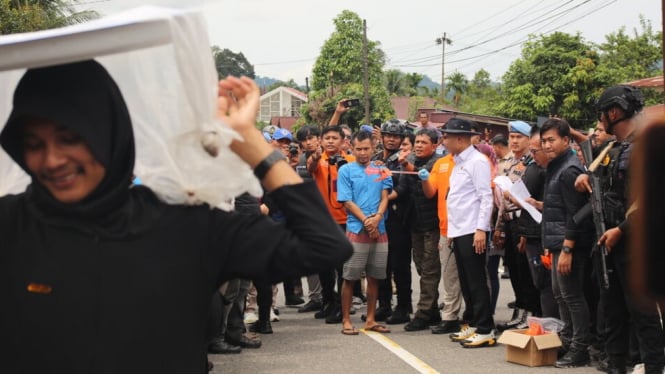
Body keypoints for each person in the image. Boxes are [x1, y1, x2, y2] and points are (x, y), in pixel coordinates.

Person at [0, 60, 352, 374]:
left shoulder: (181, 224)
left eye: (70, 138)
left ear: (107, 133)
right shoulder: (11, 225)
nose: (52, 160)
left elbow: (322, 247)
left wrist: (251, 143)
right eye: (34, 144)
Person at [577, 85, 665, 374]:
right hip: (608, 240)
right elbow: (600, 185)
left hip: (636, 242)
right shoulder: (612, 149)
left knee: (643, 313)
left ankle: (654, 367)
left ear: (613, 112)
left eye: (603, 113)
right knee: (612, 312)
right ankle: (616, 366)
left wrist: (622, 230)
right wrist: (585, 181)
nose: (600, 120)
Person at [540, 118, 594, 368]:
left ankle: (580, 348)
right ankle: (568, 340)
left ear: (566, 140)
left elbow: (576, 213)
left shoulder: (570, 169)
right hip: (556, 242)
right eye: (544, 141)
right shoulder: (556, 166)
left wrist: (567, 249)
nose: (547, 145)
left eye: (551, 140)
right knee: (561, 295)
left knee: (572, 296)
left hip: (568, 245)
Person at [337, 130, 393, 335]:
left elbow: (385, 196)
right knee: (350, 277)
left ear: (374, 147)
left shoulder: (381, 169)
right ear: (351, 147)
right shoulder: (345, 170)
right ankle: (346, 320)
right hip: (356, 228)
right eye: (358, 149)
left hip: (380, 229)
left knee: (375, 276)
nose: (362, 153)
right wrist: (367, 221)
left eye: (366, 149)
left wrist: (377, 217)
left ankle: (370, 319)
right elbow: (346, 201)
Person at [396, 128, 443, 331]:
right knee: (421, 267)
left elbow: (422, 177)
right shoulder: (411, 158)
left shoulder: (438, 162)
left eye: (424, 142)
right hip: (414, 223)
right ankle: (432, 311)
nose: (419, 145)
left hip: (433, 224)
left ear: (435, 145)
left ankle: (422, 313)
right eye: (417, 142)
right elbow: (404, 187)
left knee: (430, 270)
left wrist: (406, 165)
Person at [495, 120, 540, 331]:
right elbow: (502, 202)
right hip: (509, 221)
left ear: (529, 139)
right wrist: (500, 226)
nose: (514, 141)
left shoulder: (534, 163)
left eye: (519, 137)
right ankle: (520, 310)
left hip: (527, 221)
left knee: (526, 272)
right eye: (511, 137)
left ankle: (530, 313)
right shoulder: (508, 164)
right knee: (513, 269)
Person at [308, 125, 356, 323]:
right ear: (321, 140)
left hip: (345, 220)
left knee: (341, 267)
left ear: (343, 141)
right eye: (326, 137)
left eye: (334, 138)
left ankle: (341, 306)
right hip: (322, 221)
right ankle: (328, 301)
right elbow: (310, 166)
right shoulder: (319, 161)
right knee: (324, 265)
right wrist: (316, 157)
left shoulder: (350, 161)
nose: (330, 141)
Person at [420, 133, 463, 335]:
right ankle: (450, 317)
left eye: (450, 137)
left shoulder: (476, 161)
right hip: (446, 228)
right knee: (449, 276)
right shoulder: (441, 163)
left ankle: (475, 315)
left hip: (468, 228)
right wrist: (424, 179)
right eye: (445, 137)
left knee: (473, 277)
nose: (447, 141)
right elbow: (430, 192)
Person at [372, 120, 413, 325]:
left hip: (399, 218)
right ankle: (384, 305)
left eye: (395, 136)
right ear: (382, 137)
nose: (391, 139)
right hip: (380, 219)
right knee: (381, 264)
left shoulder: (404, 160)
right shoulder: (376, 159)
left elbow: (404, 188)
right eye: (388, 135)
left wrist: (384, 200)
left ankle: (404, 307)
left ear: (401, 139)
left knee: (400, 265)